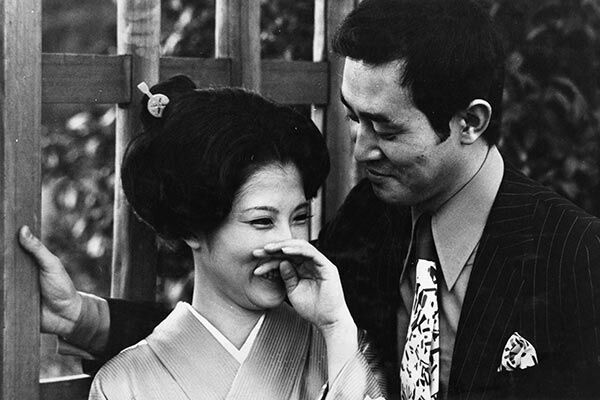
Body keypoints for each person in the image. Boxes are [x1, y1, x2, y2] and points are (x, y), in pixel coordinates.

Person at [20, 0, 600, 399]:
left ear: (470, 121)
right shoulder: (375, 215)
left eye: (386, 127)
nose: (361, 150)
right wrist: (86, 319)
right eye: (353, 118)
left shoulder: (575, 256)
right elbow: (241, 317)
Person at [22, 75, 386, 400]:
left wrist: (336, 327)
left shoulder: (338, 349)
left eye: (301, 217)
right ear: (192, 227)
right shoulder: (123, 384)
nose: (288, 242)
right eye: (262, 221)